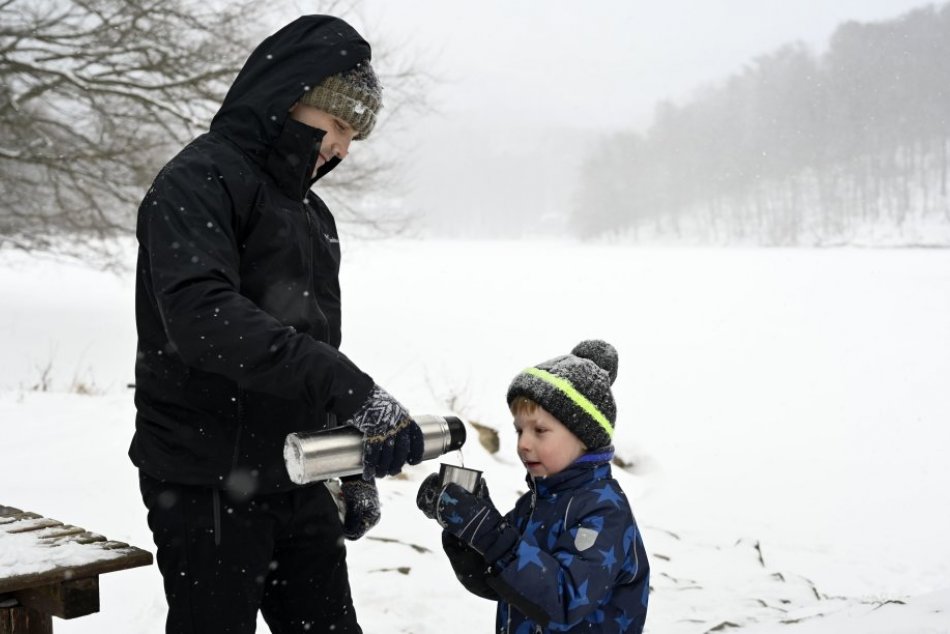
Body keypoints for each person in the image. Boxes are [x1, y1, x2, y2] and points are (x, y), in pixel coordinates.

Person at [129, 15, 424, 634]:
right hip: (204, 480)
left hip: (295, 474)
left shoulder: (311, 213)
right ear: (291, 100)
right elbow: (203, 316)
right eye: (339, 125)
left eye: (355, 135)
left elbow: (310, 342)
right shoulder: (196, 182)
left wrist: (344, 460)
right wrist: (350, 387)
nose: (343, 147)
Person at [416, 340, 650, 633]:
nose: (524, 443)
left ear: (584, 437)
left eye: (539, 430)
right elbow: (501, 584)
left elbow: (563, 602)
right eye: (519, 430)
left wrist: (488, 531)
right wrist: (464, 532)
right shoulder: (536, 503)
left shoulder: (604, 511)